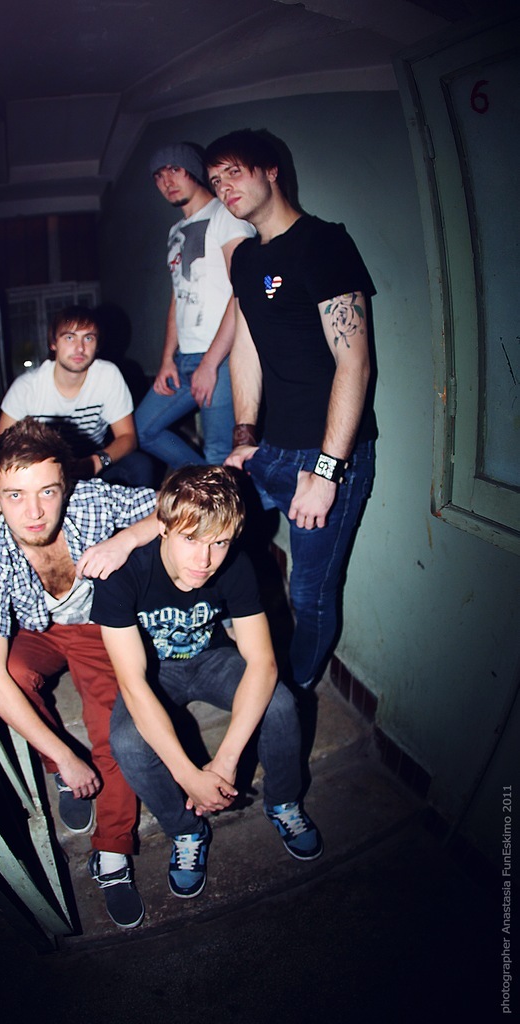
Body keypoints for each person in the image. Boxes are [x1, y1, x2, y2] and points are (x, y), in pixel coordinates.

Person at [91, 466, 322, 902]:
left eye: (219, 542)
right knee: (126, 742)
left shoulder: (236, 565)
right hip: (155, 671)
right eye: (191, 539)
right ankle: (186, 830)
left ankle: (284, 801)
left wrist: (226, 762)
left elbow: (263, 664)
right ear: (162, 527)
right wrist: (189, 776)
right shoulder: (122, 574)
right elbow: (133, 684)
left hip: (212, 657)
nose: (204, 560)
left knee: (280, 704)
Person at [0, 417, 158, 929]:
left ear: (65, 487)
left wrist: (125, 541)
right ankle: (63, 772)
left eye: (47, 492)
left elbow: (176, 505)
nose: (33, 512)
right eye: (15, 495)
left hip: (97, 629)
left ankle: (113, 852)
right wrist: (66, 757)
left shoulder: (92, 501)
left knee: (116, 725)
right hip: (41, 630)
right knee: (12, 671)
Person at [205, 129, 377, 691]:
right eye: (216, 181)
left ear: (270, 170)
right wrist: (243, 436)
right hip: (270, 449)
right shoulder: (246, 259)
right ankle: (240, 655)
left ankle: (295, 694)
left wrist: (327, 472)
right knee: (213, 539)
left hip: (325, 457)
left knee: (309, 593)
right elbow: (246, 349)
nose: (224, 188)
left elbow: (355, 364)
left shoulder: (324, 243)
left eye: (234, 173)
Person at [134, 142, 256, 469]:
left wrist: (211, 363)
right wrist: (166, 360)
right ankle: (205, 484)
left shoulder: (225, 215)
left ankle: (216, 488)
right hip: (184, 358)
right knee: (143, 430)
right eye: (159, 176)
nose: (167, 181)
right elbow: (177, 297)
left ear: (193, 171)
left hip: (223, 355)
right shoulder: (175, 230)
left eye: (175, 170)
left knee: (220, 452)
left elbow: (244, 291)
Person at [0, 304, 153, 486]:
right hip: (43, 469)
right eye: (70, 337)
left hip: (91, 462)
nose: (80, 348)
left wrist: (95, 462)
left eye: (88, 338)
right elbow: (2, 446)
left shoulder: (107, 375)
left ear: (97, 345)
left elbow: (127, 437)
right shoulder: (27, 387)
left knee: (140, 466)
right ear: (53, 343)